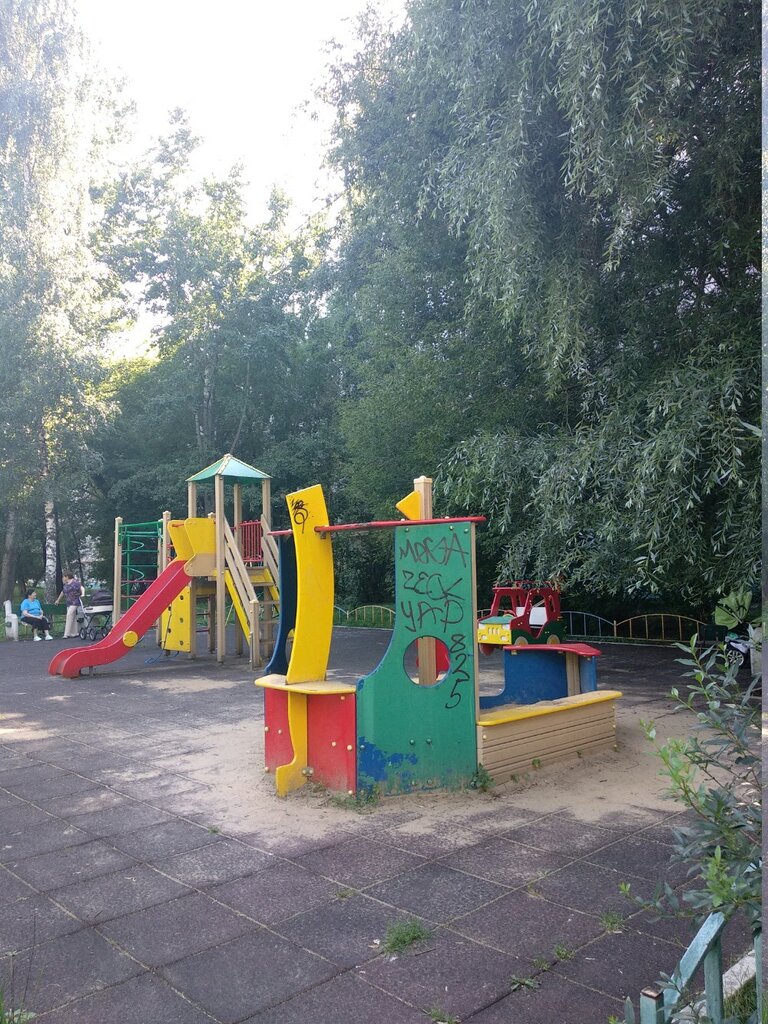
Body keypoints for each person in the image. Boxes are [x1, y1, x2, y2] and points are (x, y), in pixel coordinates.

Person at [56, 571, 85, 638]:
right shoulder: (66, 584)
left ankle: (66, 634)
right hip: (69, 602)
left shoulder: (75, 582)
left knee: (69, 615)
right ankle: (74, 633)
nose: (63, 578)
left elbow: (82, 588)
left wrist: (83, 594)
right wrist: (58, 600)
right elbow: (63, 592)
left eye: (64, 576)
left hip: (75, 602)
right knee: (73, 617)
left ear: (67, 577)